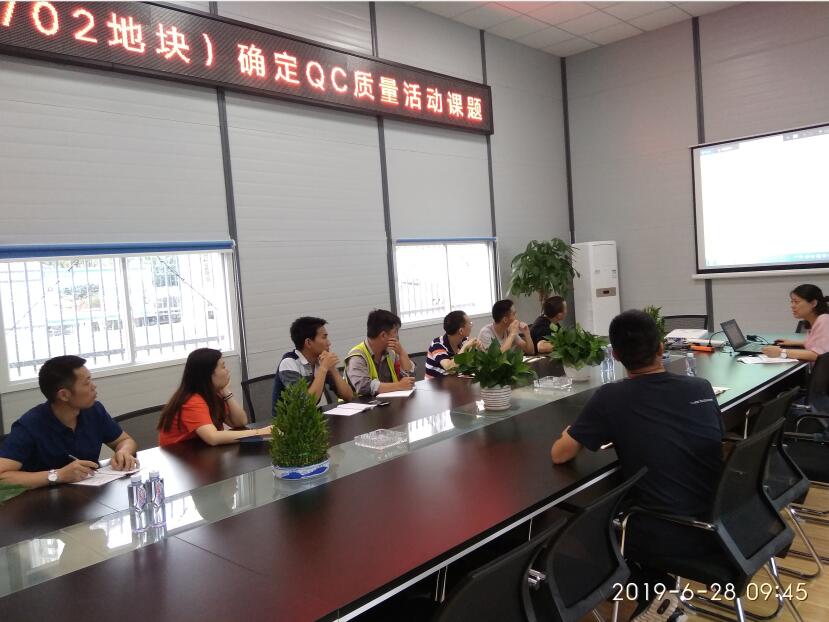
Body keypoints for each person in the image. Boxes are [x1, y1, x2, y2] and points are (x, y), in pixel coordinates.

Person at [550, 310, 723, 622]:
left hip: (667, 529)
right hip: (720, 515)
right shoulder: (701, 387)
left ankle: (655, 596)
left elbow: (560, 455)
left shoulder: (611, 397)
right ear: (661, 348)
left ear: (615, 356)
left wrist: (570, 432)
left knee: (588, 523)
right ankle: (659, 597)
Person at [0, 355, 138, 488]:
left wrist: (124, 452)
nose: (94, 386)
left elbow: (124, 440)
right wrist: (58, 475)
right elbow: (2, 478)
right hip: (44, 499)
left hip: (90, 495)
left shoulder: (94, 411)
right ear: (64, 395)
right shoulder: (30, 425)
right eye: (87, 383)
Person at [158, 348, 271, 446]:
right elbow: (213, 437)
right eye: (223, 367)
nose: (227, 371)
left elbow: (239, 422)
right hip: (180, 457)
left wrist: (226, 391)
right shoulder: (191, 400)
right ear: (208, 374)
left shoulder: (212, 394)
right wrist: (260, 432)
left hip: (200, 452)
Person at [272, 316, 354, 411]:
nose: (329, 343)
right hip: (290, 420)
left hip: (310, 417)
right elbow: (305, 404)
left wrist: (332, 369)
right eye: (324, 337)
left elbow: (349, 396)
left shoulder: (321, 361)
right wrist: (323, 368)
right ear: (308, 343)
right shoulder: (289, 363)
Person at [344, 309, 415, 397]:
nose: (397, 336)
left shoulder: (390, 352)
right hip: (360, 404)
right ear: (383, 335)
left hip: (386, 402)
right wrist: (399, 385)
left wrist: (402, 353)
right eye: (395, 332)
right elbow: (364, 386)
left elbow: (409, 379)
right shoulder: (357, 357)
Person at [762, 283, 829, 363]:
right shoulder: (814, 321)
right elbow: (819, 344)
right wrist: (793, 343)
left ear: (813, 303)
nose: (792, 306)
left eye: (796, 302)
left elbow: (819, 355)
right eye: (792, 302)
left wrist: (781, 352)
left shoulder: (824, 320)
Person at [424, 311, 480, 378]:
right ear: (461, 331)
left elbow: (471, 367)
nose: (471, 326)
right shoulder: (437, 344)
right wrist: (465, 347)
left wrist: (476, 349)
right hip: (434, 384)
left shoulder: (464, 341)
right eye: (469, 323)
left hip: (454, 382)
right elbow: (450, 369)